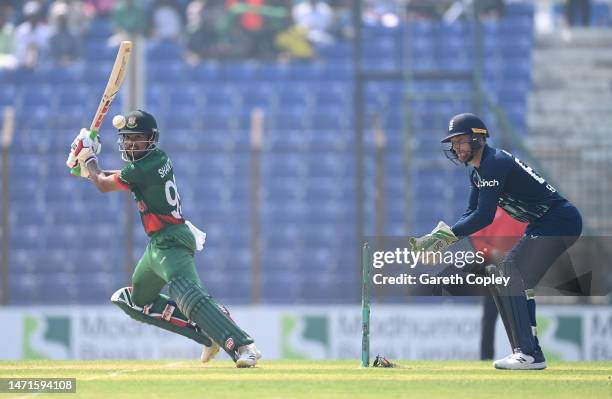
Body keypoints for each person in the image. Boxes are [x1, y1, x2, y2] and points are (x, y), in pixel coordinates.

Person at [66, 110, 261, 367]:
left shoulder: (146, 166)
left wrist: (89, 159)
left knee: (187, 294)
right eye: (127, 139)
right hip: (157, 246)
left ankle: (242, 346)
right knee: (137, 301)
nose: (131, 144)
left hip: (170, 242)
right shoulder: (154, 161)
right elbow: (111, 178)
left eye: (138, 138)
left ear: (151, 139)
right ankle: (206, 334)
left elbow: (103, 183)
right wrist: (87, 168)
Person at [411, 113, 582, 370]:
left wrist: (446, 240)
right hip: (546, 222)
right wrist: (440, 236)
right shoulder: (478, 174)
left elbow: (484, 216)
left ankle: (527, 353)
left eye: (461, 141)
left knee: (508, 271)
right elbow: (470, 213)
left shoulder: (495, 163)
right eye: (453, 143)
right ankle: (529, 353)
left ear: (478, 138)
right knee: (512, 280)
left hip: (559, 220)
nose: (456, 148)